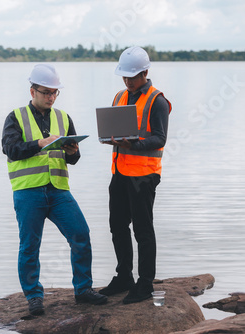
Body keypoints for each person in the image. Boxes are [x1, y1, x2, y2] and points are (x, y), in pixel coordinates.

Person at [2, 64, 107, 316]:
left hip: (59, 190)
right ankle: (34, 297)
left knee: (81, 235)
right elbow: (11, 149)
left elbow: (73, 159)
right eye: (46, 92)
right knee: (29, 246)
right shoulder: (15, 117)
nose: (51, 97)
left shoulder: (63, 117)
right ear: (32, 91)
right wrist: (40, 143)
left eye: (54, 93)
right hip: (28, 191)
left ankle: (83, 290)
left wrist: (73, 152)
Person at [99, 46, 172, 304]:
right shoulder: (119, 96)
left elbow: (160, 138)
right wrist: (109, 139)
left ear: (145, 72)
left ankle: (145, 285)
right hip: (119, 172)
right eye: (125, 76)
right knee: (117, 226)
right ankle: (124, 277)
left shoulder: (157, 100)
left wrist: (135, 145)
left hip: (144, 176)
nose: (128, 81)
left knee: (143, 230)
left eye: (132, 76)